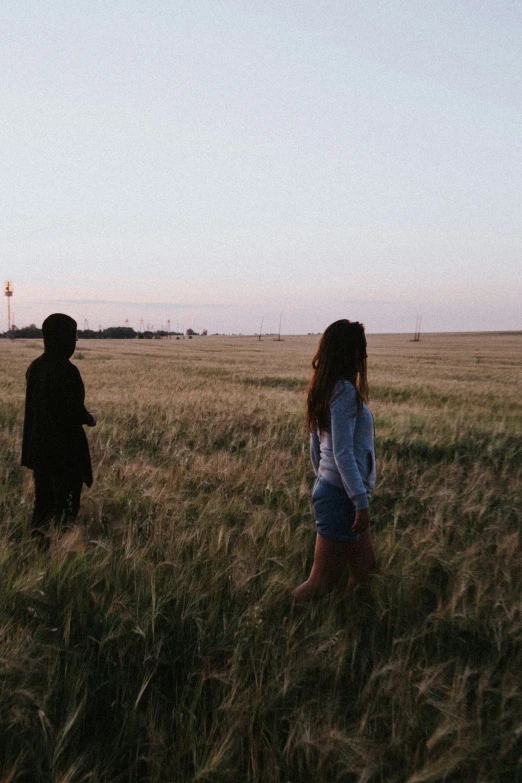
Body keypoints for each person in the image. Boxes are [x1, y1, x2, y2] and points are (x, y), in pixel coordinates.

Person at [293, 319, 377, 602]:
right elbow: (341, 452)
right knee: (321, 583)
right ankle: (277, 618)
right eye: (360, 350)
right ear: (349, 353)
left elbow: (316, 447)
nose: (364, 356)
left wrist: (323, 479)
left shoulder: (325, 388)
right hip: (343, 496)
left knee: (365, 571)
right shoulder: (343, 392)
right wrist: (359, 500)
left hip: (335, 491)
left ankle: (348, 627)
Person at [21, 313, 97, 542]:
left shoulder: (36, 367)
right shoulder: (66, 370)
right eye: (73, 336)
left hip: (39, 451)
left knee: (42, 506)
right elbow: (70, 412)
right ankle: (62, 550)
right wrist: (89, 418)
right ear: (62, 338)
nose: (75, 341)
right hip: (65, 454)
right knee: (66, 510)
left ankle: (38, 552)